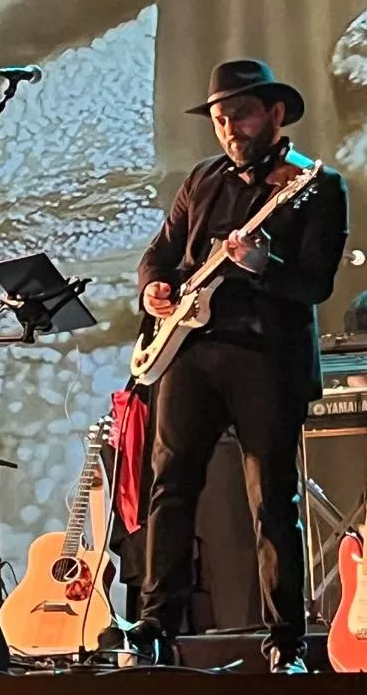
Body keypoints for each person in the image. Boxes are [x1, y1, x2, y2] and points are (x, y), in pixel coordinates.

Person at [129, 60, 348, 674]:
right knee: (169, 489)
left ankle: (284, 640)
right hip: (191, 354)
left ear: (275, 114)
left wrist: (261, 266)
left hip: (265, 357)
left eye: (241, 115)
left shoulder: (316, 186)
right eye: (221, 119)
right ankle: (154, 625)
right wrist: (154, 292)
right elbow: (159, 256)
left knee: (272, 499)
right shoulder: (201, 180)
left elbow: (314, 283)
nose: (229, 129)